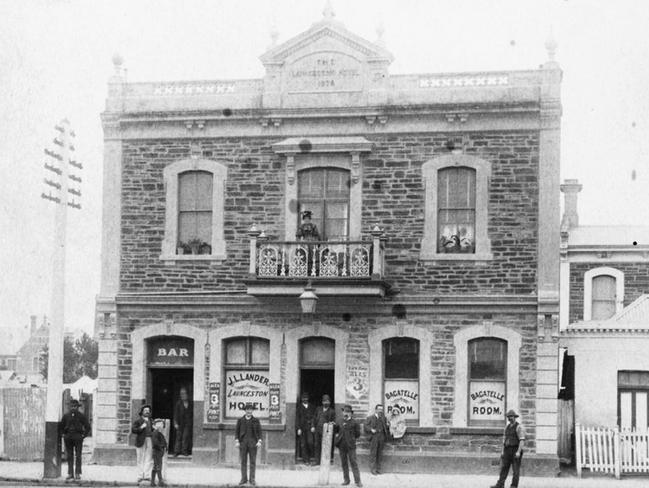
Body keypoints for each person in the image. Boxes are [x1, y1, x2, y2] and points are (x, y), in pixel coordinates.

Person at [490, 409, 526, 488]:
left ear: (514, 417)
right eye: (508, 417)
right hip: (507, 450)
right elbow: (504, 440)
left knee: (515, 470)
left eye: (511, 416)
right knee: (504, 468)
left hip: (515, 450)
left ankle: (513, 486)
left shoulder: (519, 427)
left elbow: (522, 440)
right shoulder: (507, 427)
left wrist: (518, 452)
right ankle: (500, 484)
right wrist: (502, 451)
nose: (510, 418)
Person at [59, 398, 91, 481]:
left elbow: (88, 427)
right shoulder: (66, 416)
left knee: (78, 456)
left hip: (78, 437)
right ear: (70, 407)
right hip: (68, 437)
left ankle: (77, 473)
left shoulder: (81, 416)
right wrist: (63, 434)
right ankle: (70, 473)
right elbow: (61, 426)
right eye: (72, 406)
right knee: (69, 456)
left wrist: (83, 436)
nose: (73, 408)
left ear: (78, 407)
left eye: (75, 406)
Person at [334, 404, 362, 487]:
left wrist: (351, 439)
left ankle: (358, 481)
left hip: (351, 446)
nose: (346, 413)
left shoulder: (354, 422)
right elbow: (336, 430)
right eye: (345, 411)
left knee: (354, 462)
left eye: (348, 412)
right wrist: (338, 438)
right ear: (343, 412)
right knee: (344, 463)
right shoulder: (339, 421)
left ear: (351, 413)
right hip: (342, 445)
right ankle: (346, 480)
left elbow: (358, 434)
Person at [235, 403, 262, 486]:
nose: (249, 411)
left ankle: (252, 479)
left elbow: (260, 431)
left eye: (251, 410)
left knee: (252, 462)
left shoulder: (256, 420)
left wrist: (259, 441)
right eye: (247, 409)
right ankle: (243, 479)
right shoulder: (240, 420)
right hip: (243, 443)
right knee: (243, 461)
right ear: (245, 410)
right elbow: (237, 431)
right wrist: (237, 441)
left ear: (252, 411)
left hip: (253, 443)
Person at [364, 404, 390, 475]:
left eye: (381, 409)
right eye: (379, 409)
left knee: (379, 453)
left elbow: (386, 427)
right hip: (374, 437)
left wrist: (387, 425)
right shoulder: (370, 418)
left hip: (381, 437)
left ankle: (378, 469)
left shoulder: (383, 418)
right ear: (376, 410)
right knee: (373, 453)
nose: (380, 411)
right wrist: (371, 429)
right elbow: (365, 426)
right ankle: (373, 469)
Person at [132, 404, 154, 483]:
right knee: (140, 458)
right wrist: (141, 427)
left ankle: (147, 476)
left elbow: (153, 430)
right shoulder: (138, 421)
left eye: (148, 411)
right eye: (145, 411)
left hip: (150, 440)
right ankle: (140, 476)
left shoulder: (151, 421)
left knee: (148, 457)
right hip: (141, 440)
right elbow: (133, 430)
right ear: (142, 412)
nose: (147, 412)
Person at [311, 394, 336, 465]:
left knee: (325, 446)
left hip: (326, 431)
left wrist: (331, 423)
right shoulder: (318, 409)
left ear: (330, 402)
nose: (326, 403)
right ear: (322, 402)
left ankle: (324, 461)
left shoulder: (332, 411)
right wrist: (312, 426)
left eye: (327, 401)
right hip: (317, 430)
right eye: (324, 401)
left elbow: (334, 421)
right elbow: (314, 418)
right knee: (317, 445)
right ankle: (317, 461)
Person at [295, 392, 315, 464]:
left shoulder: (311, 406)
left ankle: (310, 457)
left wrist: (313, 426)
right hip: (302, 427)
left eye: (306, 398)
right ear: (301, 399)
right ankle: (306, 460)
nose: (305, 399)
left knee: (310, 442)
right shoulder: (299, 407)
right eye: (303, 398)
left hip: (309, 427)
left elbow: (313, 417)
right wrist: (298, 428)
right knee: (303, 444)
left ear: (308, 399)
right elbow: (297, 418)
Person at [173, 387, 192, 456]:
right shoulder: (178, 404)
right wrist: (175, 423)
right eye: (181, 394)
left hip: (187, 424)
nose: (183, 395)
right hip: (180, 423)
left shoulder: (191, 403)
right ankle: (176, 451)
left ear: (187, 394)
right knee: (178, 437)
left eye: (184, 394)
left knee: (185, 437)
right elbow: (175, 414)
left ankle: (184, 451)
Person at [151, 419, 167, 487]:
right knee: (158, 466)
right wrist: (161, 448)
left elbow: (163, 441)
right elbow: (155, 443)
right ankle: (160, 481)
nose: (160, 426)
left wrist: (165, 446)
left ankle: (152, 482)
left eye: (161, 424)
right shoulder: (155, 432)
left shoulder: (159, 433)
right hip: (157, 452)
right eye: (159, 424)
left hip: (158, 452)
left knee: (155, 466)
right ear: (155, 426)